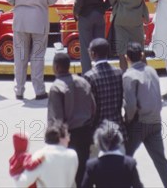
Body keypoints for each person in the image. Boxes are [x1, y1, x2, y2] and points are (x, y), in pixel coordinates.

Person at [5, 0, 59, 100]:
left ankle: (19, 90)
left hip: (20, 19)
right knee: (37, 57)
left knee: (20, 56)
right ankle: (39, 90)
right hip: (39, 19)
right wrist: (42, 2)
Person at [123, 42, 167, 188]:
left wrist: (127, 121)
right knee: (161, 161)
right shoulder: (151, 71)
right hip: (155, 122)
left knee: (123, 160)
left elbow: (131, 105)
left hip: (138, 124)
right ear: (142, 56)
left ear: (126, 58)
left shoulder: (128, 76)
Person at [47, 52, 96, 187]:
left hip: (67, 138)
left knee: (67, 179)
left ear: (56, 67)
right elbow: (93, 109)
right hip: (85, 133)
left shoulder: (56, 87)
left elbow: (56, 120)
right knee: (83, 176)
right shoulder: (83, 82)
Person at [12, 121, 78, 188]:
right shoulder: (72, 155)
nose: (69, 139)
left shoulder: (39, 155)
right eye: (67, 135)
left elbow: (22, 183)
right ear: (60, 138)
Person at [84, 38, 126, 140]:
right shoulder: (119, 73)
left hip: (99, 132)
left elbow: (89, 109)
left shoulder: (89, 76)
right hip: (118, 129)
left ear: (93, 54)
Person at [82, 120, 143, 188]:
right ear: (118, 139)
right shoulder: (130, 163)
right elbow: (138, 186)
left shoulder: (92, 165)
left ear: (99, 142)